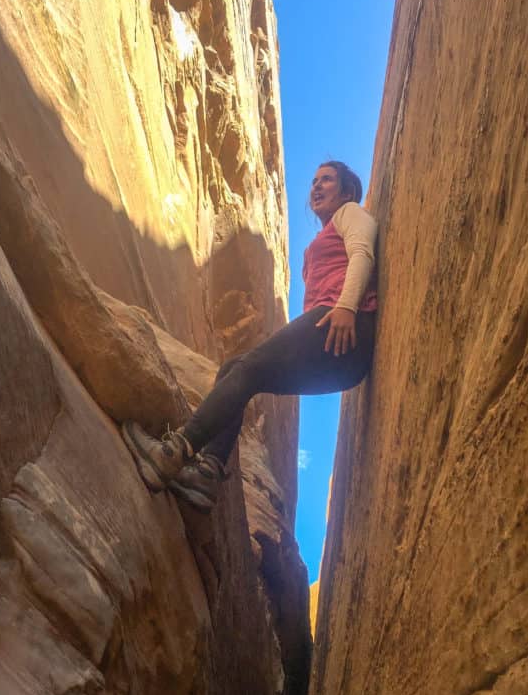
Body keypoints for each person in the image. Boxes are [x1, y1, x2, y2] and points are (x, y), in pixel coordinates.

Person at [121, 160, 378, 511]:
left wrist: (347, 306)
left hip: (345, 325)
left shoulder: (350, 213)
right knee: (235, 369)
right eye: (314, 180)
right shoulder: (319, 241)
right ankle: (207, 473)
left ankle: (172, 452)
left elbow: (363, 252)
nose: (316, 187)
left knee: (246, 368)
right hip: (339, 354)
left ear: (347, 191)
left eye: (327, 180)